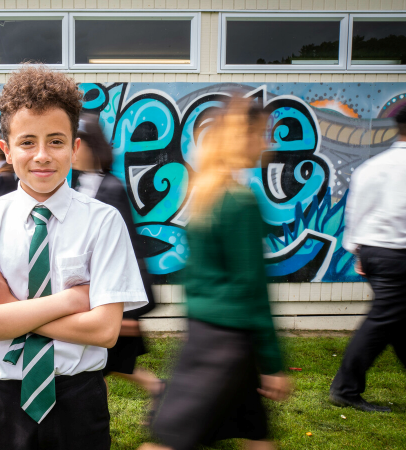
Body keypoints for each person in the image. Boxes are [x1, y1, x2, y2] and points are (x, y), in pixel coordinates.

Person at [0, 65, 148, 450]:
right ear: (7, 150)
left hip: (78, 402)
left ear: (75, 148)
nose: (42, 156)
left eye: (56, 141)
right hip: (2, 404)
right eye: (27, 142)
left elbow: (104, 332)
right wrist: (70, 301)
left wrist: (9, 308)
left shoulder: (103, 222)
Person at [140, 98, 291, 450]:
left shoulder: (205, 193)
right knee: (170, 442)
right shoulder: (239, 201)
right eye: (260, 135)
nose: (266, 144)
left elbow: (193, 276)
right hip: (226, 345)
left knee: (257, 433)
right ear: (241, 138)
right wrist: (272, 363)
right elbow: (253, 289)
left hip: (210, 333)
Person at [73, 113, 163, 405]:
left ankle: (160, 391)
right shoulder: (79, 186)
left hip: (111, 302)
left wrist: (130, 312)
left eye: (76, 143)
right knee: (101, 366)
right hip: (93, 296)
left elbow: (131, 250)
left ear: (90, 147)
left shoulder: (110, 189)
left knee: (103, 365)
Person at [329, 103, 406, 413]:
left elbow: (355, 212)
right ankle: (345, 389)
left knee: (400, 320)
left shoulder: (372, 166)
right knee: (383, 320)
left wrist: (358, 252)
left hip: (376, 252)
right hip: (400, 253)